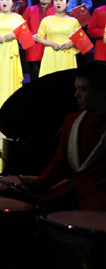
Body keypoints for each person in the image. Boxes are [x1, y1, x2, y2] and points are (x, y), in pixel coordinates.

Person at [21, 64, 106, 211]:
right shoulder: (72, 121)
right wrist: (41, 182)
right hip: (73, 194)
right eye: (76, 89)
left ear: (102, 92)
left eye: (83, 90)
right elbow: (61, 163)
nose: (76, 95)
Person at [36, 0, 80, 77]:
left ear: (67, 3)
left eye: (61, 0)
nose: (58, 3)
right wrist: (51, 44)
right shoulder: (46, 20)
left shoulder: (74, 21)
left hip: (67, 54)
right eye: (56, 0)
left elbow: (79, 39)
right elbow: (39, 38)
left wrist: (70, 44)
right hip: (51, 53)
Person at [22, 0, 57, 81]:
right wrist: (31, 36)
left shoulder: (57, 11)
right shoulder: (30, 9)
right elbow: (22, 28)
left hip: (50, 50)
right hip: (33, 50)